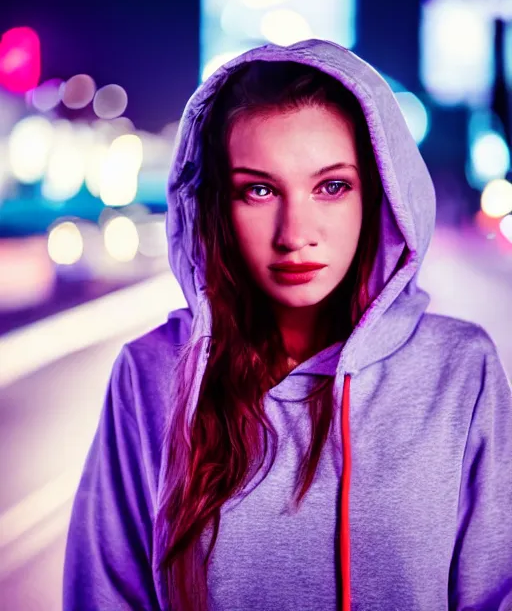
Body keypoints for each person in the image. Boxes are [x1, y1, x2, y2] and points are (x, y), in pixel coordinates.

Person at [63, 40, 512, 611]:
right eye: (259, 189)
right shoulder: (149, 372)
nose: (295, 231)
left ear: (377, 194)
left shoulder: (459, 369)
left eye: (331, 186)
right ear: (217, 206)